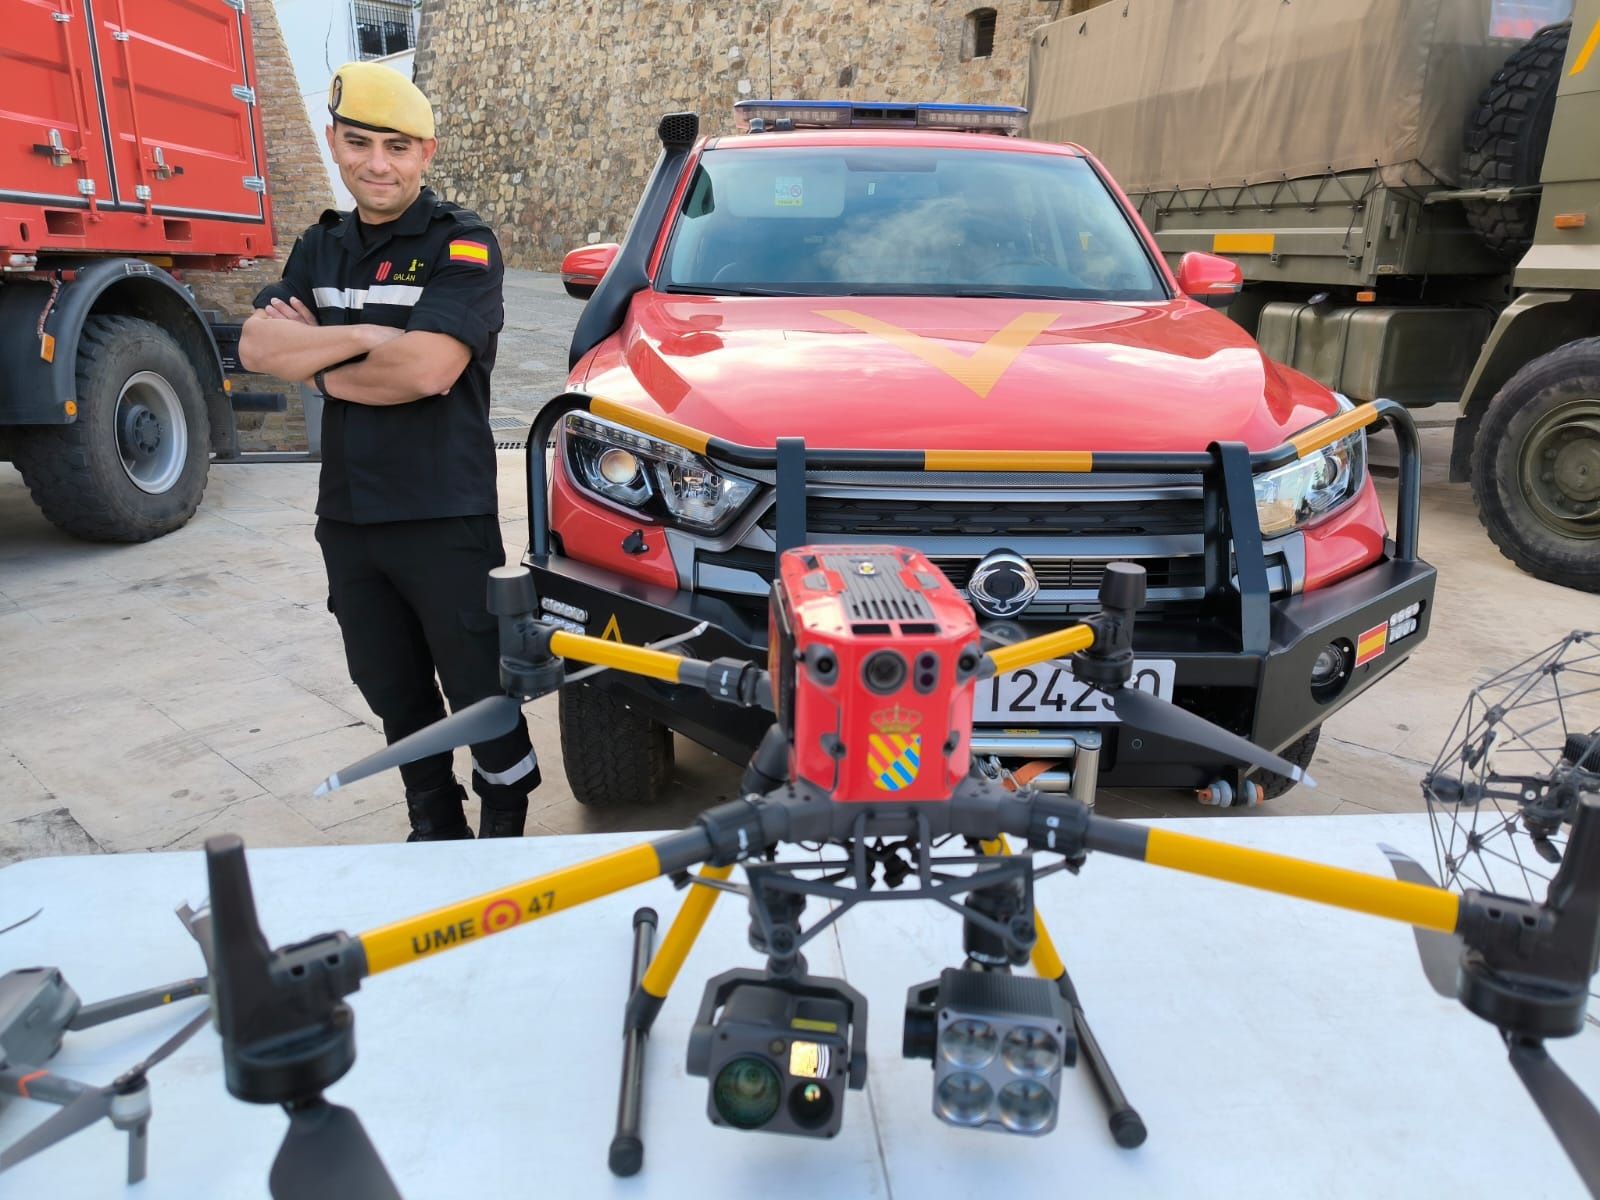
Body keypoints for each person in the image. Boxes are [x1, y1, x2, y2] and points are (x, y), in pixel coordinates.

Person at [239, 62, 538, 841]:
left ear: (426, 154)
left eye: (398, 147)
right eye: (361, 142)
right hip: (349, 514)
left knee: (478, 684)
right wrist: (369, 337)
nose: (379, 162)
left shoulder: (462, 244)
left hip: (445, 509)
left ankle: (506, 816)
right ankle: (432, 821)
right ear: (335, 143)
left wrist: (322, 366)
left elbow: (430, 369)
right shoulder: (319, 247)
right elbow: (258, 346)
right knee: (391, 686)